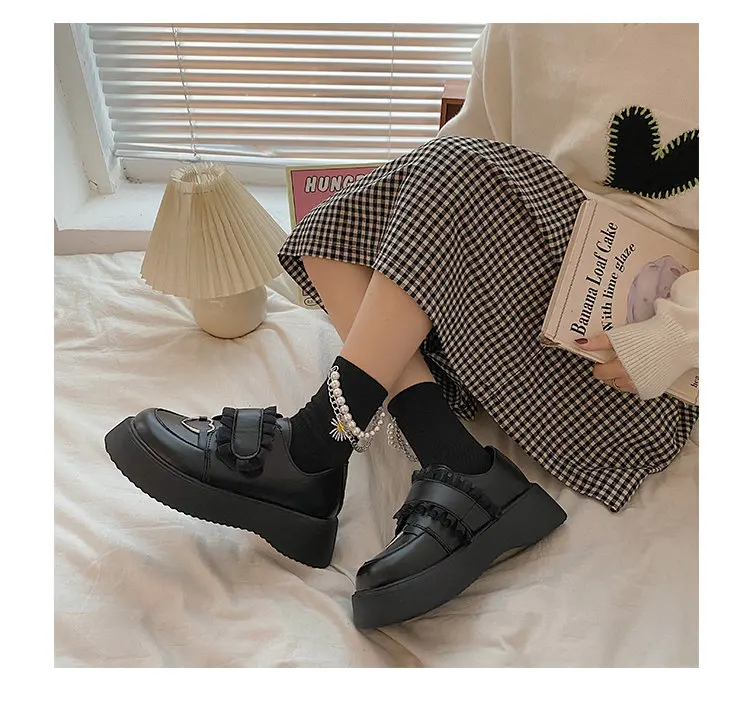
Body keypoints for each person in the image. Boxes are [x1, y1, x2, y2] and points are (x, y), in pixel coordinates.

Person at [105, 23, 698, 630]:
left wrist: (676, 337)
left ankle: (315, 448)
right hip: (513, 311)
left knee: (451, 173)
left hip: (627, 376)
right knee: (334, 228)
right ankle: (452, 460)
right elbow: (469, 148)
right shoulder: (522, 27)